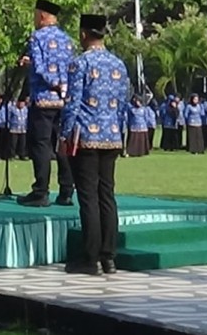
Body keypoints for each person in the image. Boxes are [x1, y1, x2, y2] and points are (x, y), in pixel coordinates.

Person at [61, 14, 131, 276]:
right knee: (107, 196)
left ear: (83, 34)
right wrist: (119, 133)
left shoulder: (80, 63)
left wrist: (65, 135)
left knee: (88, 197)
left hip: (86, 138)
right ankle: (109, 257)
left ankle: (90, 259)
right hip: (112, 136)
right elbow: (123, 104)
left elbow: (72, 104)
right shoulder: (118, 64)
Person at [17, 0, 76, 208]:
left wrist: (54, 84)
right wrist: (64, 88)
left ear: (42, 16)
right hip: (64, 101)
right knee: (62, 144)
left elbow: (42, 69)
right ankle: (66, 191)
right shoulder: (67, 40)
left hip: (43, 99)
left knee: (40, 144)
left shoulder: (37, 37)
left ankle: (40, 191)